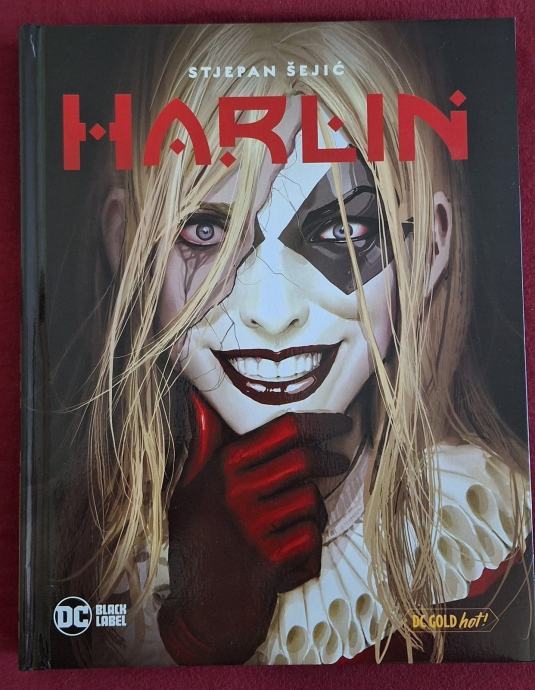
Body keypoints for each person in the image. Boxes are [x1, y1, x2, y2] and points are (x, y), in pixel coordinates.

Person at [61, 22, 532, 665]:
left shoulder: (487, 528)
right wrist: (194, 633)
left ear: (428, 249)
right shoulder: (89, 572)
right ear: (127, 247)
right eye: (205, 232)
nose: (273, 313)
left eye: (342, 232)